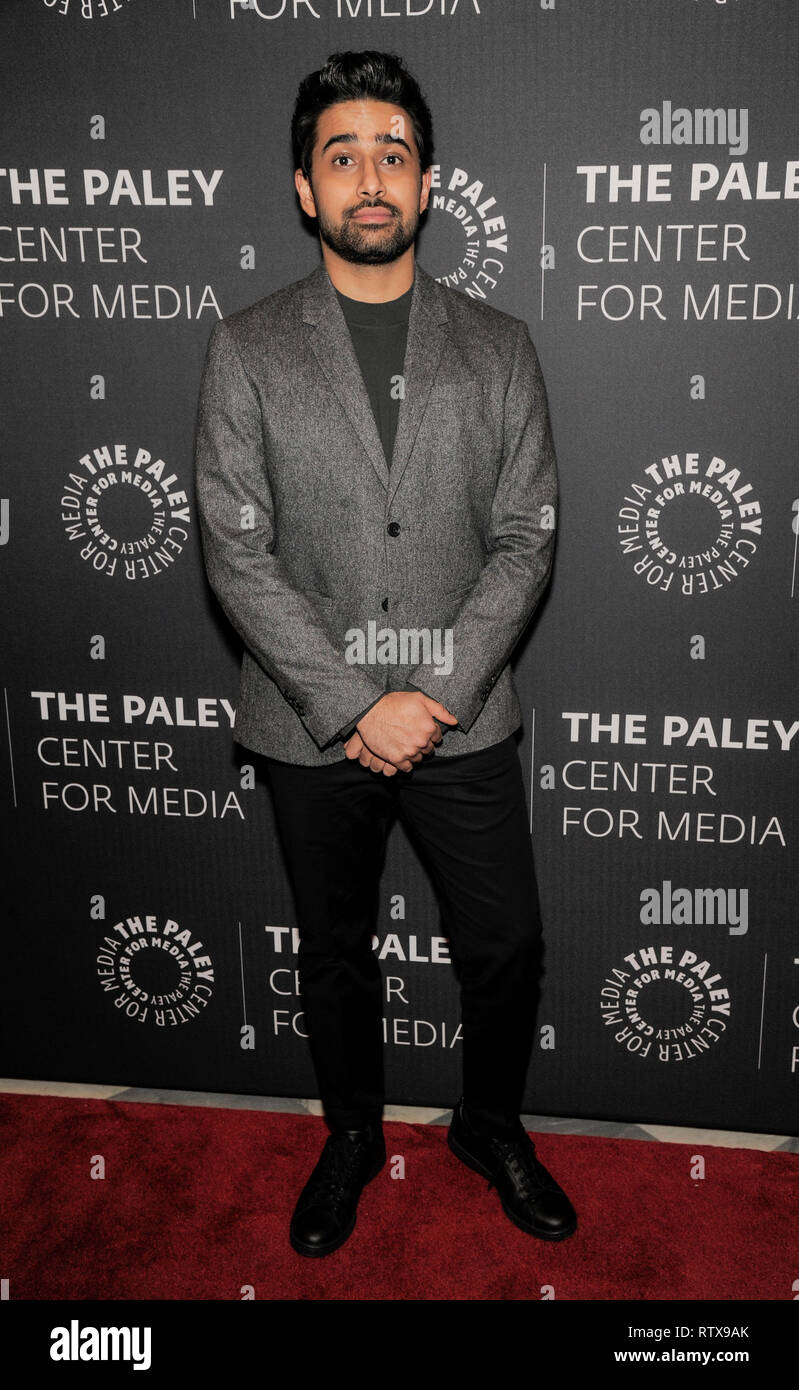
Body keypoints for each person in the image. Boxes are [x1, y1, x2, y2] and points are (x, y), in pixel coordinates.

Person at [194, 48, 577, 1257]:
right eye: (343, 155)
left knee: (507, 944)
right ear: (305, 188)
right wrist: (358, 703)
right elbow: (235, 554)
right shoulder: (246, 347)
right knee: (336, 955)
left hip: (463, 716)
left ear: (428, 186)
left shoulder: (501, 345)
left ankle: (488, 1123)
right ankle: (351, 1132)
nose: (371, 178)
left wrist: (432, 693)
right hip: (311, 719)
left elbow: (523, 538)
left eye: (393, 156)